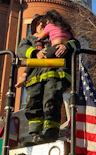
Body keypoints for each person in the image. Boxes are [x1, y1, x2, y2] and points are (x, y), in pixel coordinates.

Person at [16, 13, 80, 146]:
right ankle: (36, 135)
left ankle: (50, 133)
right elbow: (21, 50)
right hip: (35, 79)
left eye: (44, 22)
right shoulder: (29, 40)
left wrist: (66, 46)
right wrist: (35, 53)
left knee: (51, 99)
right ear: (35, 27)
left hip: (56, 74)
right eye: (40, 23)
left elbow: (75, 42)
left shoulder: (56, 35)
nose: (43, 24)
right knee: (34, 103)